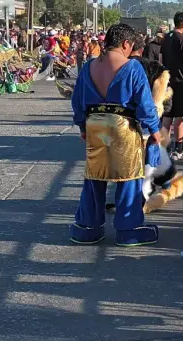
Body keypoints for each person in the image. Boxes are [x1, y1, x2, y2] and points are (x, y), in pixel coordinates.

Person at [68, 23, 162, 247]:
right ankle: (128, 229)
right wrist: (154, 130)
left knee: (94, 177)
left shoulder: (89, 67)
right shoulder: (132, 67)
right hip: (123, 126)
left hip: (94, 126)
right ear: (126, 43)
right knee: (129, 178)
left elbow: (77, 101)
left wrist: (82, 127)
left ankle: (88, 228)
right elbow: (145, 105)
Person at [160, 12, 183, 160]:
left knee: (167, 115)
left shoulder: (166, 38)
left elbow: (161, 60)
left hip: (167, 81)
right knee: (180, 115)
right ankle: (179, 148)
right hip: (181, 82)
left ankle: (163, 147)